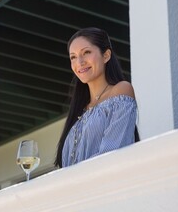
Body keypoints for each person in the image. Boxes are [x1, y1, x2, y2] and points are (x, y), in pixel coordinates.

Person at [55, 27, 139, 168]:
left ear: (106, 55)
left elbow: (112, 153)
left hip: (105, 186)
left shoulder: (121, 91)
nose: (79, 62)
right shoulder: (80, 110)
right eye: (73, 57)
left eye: (86, 52)